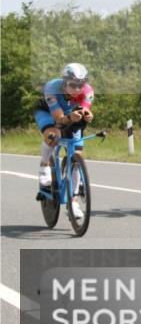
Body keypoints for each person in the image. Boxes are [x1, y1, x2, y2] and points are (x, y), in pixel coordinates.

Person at [34, 63, 94, 218]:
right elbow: (59, 118)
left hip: (70, 116)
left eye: (80, 85)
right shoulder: (52, 87)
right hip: (48, 113)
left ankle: (72, 202)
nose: (77, 89)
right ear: (64, 82)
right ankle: (44, 166)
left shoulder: (87, 91)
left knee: (77, 154)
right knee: (53, 135)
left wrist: (87, 115)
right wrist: (69, 118)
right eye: (73, 85)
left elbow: (85, 109)